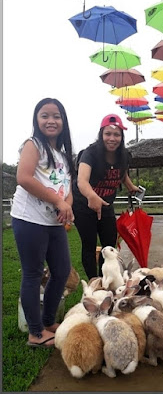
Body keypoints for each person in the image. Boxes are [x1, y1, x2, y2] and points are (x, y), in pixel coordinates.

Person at [11, 98, 75, 348]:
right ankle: (35, 333)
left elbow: (67, 186)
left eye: (56, 116)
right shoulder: (33, 145)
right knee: (33, 273)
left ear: (63, 121)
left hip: (53, 222)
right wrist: (58, 203)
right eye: (45, 115)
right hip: (29, 219)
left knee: (61, 271)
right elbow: (24, 178)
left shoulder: (62, 153)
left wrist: (66, 204)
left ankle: (49, 322)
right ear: (37, 120)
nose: (51, 120)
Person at [72, 114, 139, 279]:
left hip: (106, 205)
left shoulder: (123, 155)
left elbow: (121, 172)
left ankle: (105, 279)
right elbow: (82, 180)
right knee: (89, 245)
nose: (112, 138)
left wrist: (130, 185)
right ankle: (94, 282)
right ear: (101, 135)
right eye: (108, 134)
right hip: (83, 205)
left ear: (121, 137)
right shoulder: (90, 154)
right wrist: (92, 196)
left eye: (116, 135)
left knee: (109, 246)